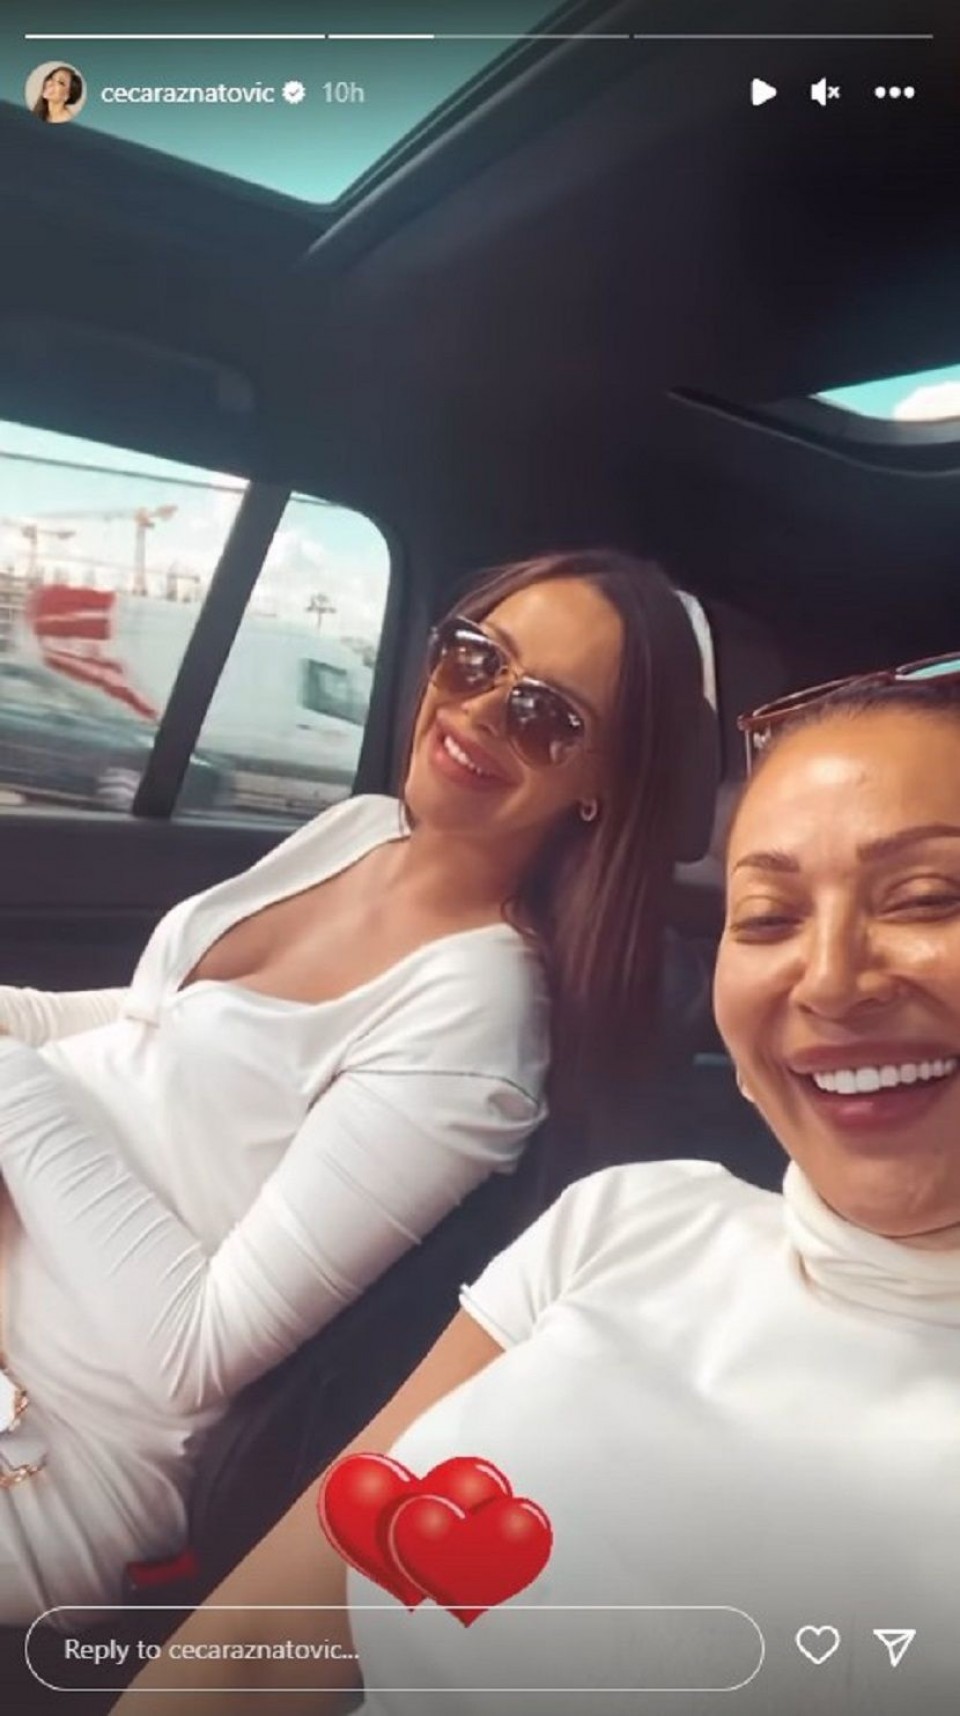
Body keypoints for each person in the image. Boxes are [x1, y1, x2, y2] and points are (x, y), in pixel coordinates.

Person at [113, 658, 960, 1716]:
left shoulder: (476, 1006)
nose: (829, 980)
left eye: (930, 898)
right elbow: (256, 1648)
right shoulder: (628, 1223)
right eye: (767, 918)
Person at [0, 549, 705, 1625]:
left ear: (601, 784)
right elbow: (152, 1020)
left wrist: (11, 1086)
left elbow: (196, 1351)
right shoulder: (364, 831)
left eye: (546, 716)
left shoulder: (477, 1015)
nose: (479, 710)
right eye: (475, 659)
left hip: (59, 1441)